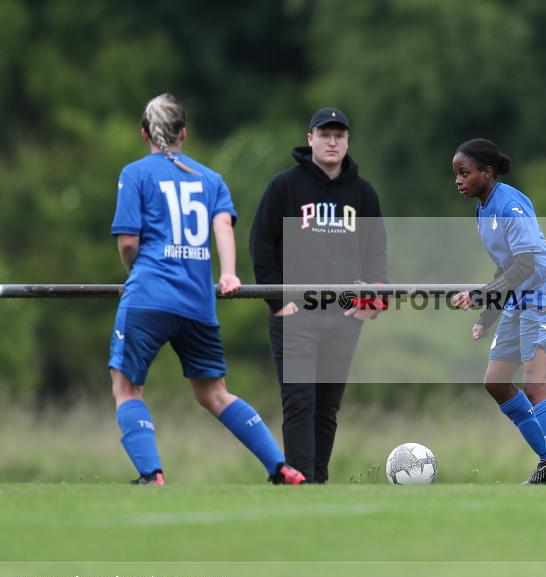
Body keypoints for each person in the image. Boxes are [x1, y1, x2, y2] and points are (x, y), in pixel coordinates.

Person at [109, 93, 303, 485]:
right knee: (214, 393)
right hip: (197, 301)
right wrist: (229, 273)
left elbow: (129, 243)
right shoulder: (210, 178)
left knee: (127, 388)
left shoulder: (135, 173)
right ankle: (280, 467)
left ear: (144, 133)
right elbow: (223, 228)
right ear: (184, 132)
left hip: (148, 296)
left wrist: (137, 272)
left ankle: (152, 474)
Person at [250, 107, 388, 484]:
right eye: (324, 134)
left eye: (339, 135)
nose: (332, 141)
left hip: (344, 315)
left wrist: (373, 301)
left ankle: (318, 483)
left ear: (347, 141)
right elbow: (261, 244)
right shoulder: (285, 186)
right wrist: (279, 301)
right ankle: (301, 480)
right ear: (309, 137)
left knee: (327, 407)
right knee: (298, 401)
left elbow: (376, 250)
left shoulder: (362, 193)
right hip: (296, 314)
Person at [450, 138, 546, 484]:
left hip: (545, 296)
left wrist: (480, 296)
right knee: (496, 382)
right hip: (519, 300)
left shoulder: (509, 204)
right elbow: (505, 267)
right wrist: (487, 315)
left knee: (535, 385)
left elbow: (525, 264)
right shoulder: (482, 210)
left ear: (487, 173)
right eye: (456, 175)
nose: (459, 180)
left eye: (465, 173)